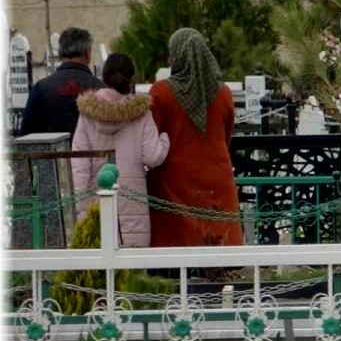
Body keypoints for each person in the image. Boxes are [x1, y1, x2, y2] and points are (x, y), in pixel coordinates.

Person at [146, 28, 243, 247]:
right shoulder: (224, 93)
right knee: (218, 254)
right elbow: (225, 137)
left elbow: (151, 140)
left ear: (177, 55)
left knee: (178, 257)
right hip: (217, 181)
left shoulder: (160, 92)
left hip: (173, 184)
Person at [71, 53, 171, 247]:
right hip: (132, 204)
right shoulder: (141, 114)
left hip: (96, 202)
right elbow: (153, 157)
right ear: (131, 79)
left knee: (100, 268)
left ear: (104, 78)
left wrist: (80, 206)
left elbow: (79, 164)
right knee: (132, 266)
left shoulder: (87, 115)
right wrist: (165, 139)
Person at [19, 27, 104, 137]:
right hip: (92, 153)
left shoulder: (40, 88)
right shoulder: (101, 89)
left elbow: (26, 135)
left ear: (59, 54)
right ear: (88, 53)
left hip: (50, 154)